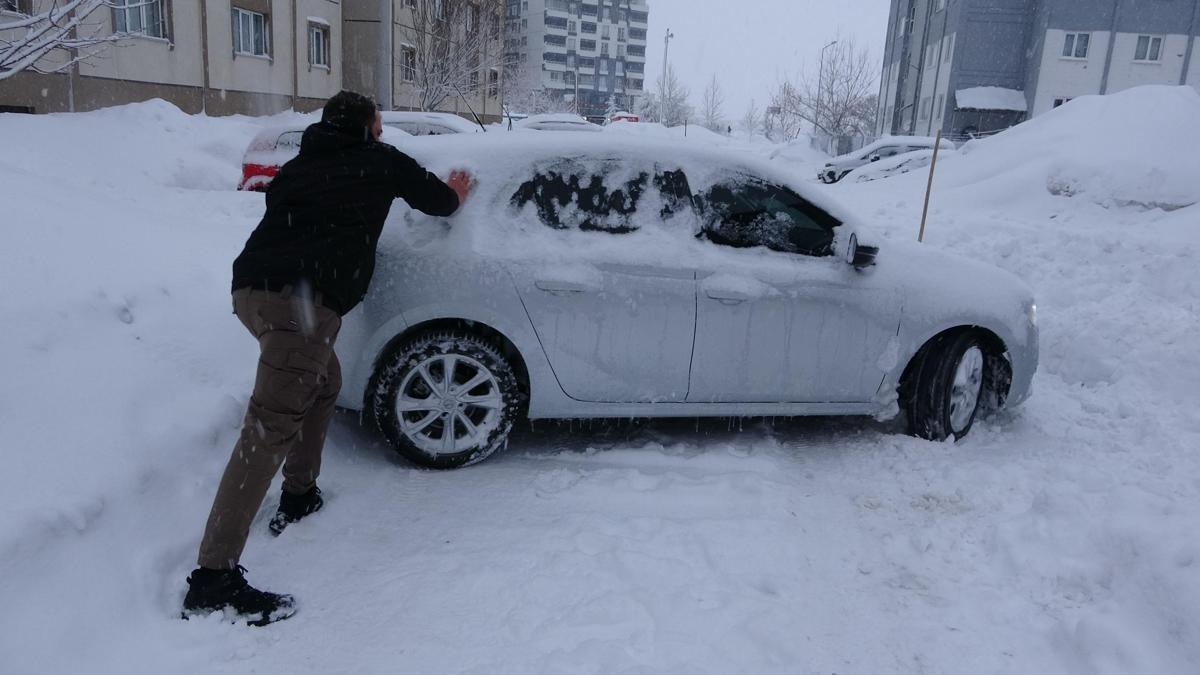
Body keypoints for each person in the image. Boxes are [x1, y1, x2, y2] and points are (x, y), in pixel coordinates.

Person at [182, 91, 471, 626]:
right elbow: (438, 201)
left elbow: (290, 217)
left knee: (324, 381)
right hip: (299, 307)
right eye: (379, 125)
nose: (383, 134)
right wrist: (455, 190)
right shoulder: (379, 160)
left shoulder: (300, 165)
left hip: (252, 293)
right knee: (267, 429)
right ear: (367, 127)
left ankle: (300, 493)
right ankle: (213, 578)